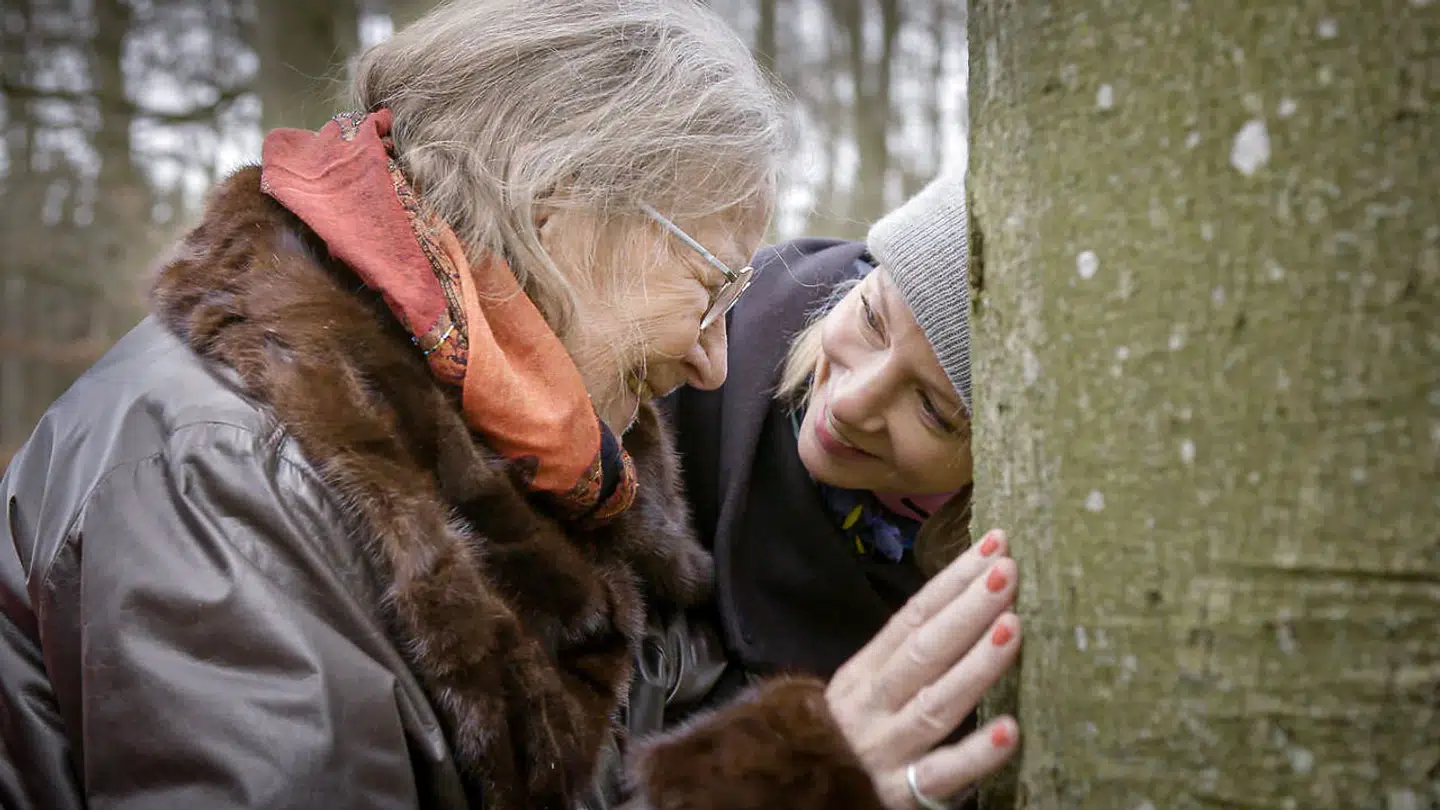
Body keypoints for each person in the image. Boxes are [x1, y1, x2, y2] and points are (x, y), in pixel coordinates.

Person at [0, 3, 930, 809]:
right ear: (559, 205)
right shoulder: (226, 473)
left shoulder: (522, 446)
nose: (716, 359)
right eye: (714, 283)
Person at [665, 170, 1020, 809]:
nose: (853, 403)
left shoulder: (997, 585)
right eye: (871, 317)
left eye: (935, 411)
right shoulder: (684, 364)